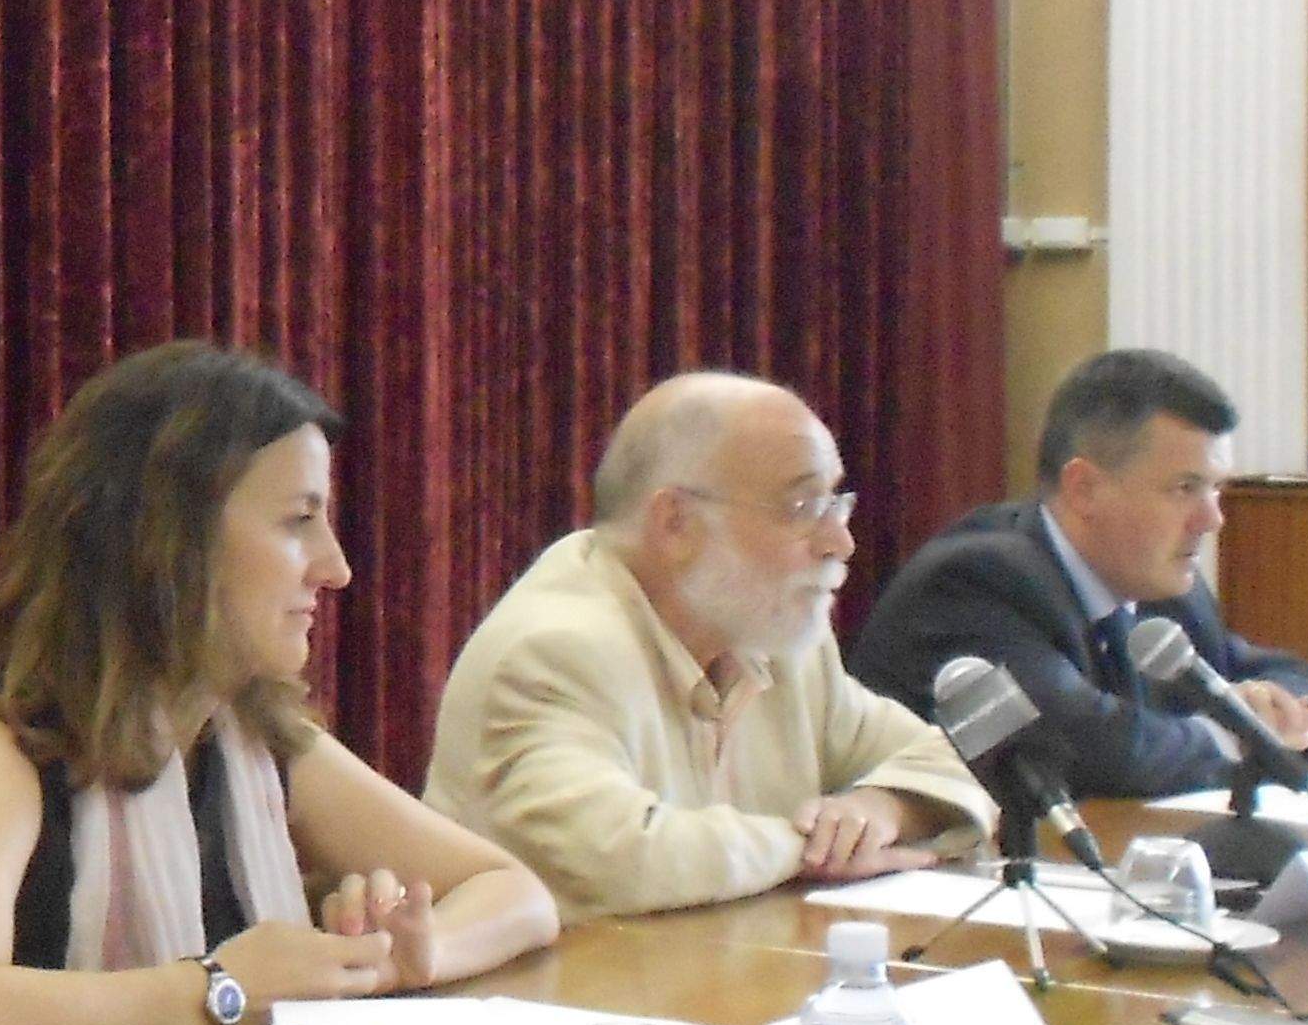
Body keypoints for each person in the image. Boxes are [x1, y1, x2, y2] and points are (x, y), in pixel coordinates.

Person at [0, 342, 558, 1025]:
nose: (335, 567)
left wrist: (400, 958)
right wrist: (221, 988)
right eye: (298, 521)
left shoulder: (250, 735)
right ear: (168, 540)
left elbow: (517, 893)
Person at [424, 372, 993, 917]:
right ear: (675, 522)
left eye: (836, 503)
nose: (840, 543)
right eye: (802, 508)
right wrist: (813, 848)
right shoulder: (552, 651)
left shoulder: (776, 641)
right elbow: (617, 857)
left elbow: (960, 758)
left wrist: (883, 809)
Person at [851, 348, 1308, 800]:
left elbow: (1288, 677)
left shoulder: (1163, 588)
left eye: (1215, 489)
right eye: (1185, 488)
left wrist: (1290, 714)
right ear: (1084, 489)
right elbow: (1082, 751)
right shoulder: (972, 583)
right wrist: (1241, 735)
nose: (1212, 519)